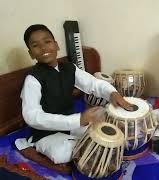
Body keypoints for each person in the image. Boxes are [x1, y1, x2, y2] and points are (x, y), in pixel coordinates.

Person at [15, 24, 132, 164]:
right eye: (36, 45)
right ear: (31, 54)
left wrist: (112, 93)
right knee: (63, 153)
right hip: (45, 134)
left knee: (104, 133)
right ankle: (40, 145)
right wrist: (78, 120)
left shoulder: (69, 68)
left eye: (47, 42)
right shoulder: (32, 79)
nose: (43, 48)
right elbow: (32, 117)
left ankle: (80, 142)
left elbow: (93, 83)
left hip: (71, 127)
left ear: (56, 45)